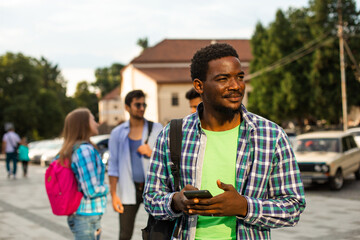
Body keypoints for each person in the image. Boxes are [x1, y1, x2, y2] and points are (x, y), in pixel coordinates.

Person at [143, 43, 306, 239]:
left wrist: (244, 206)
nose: (236, 86)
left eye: (239, 77)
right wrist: (176, 201)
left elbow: (293, 207)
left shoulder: (271, 136)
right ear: (199, 86)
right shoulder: (173, 134)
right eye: (223, 79)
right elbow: (151, 198)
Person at [108, 90, 163, 240]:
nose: (141, 108)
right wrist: (114, 195)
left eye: (143, 104)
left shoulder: (157, 129)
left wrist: (151, 153)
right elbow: (113, 166)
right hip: (129, 189)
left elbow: (167, 158)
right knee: (124, 234)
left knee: (157, 233)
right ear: (127, 107)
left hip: (153, 189)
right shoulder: (117, 133)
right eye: (137, 104)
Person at [58, 108, 108, 240]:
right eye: (93, 119)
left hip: (84, 215)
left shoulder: (76, 148)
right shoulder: (85, 150)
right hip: (86, 216)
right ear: (84, 124)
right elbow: (91, 190)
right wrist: (108, 188)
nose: (96, 123)